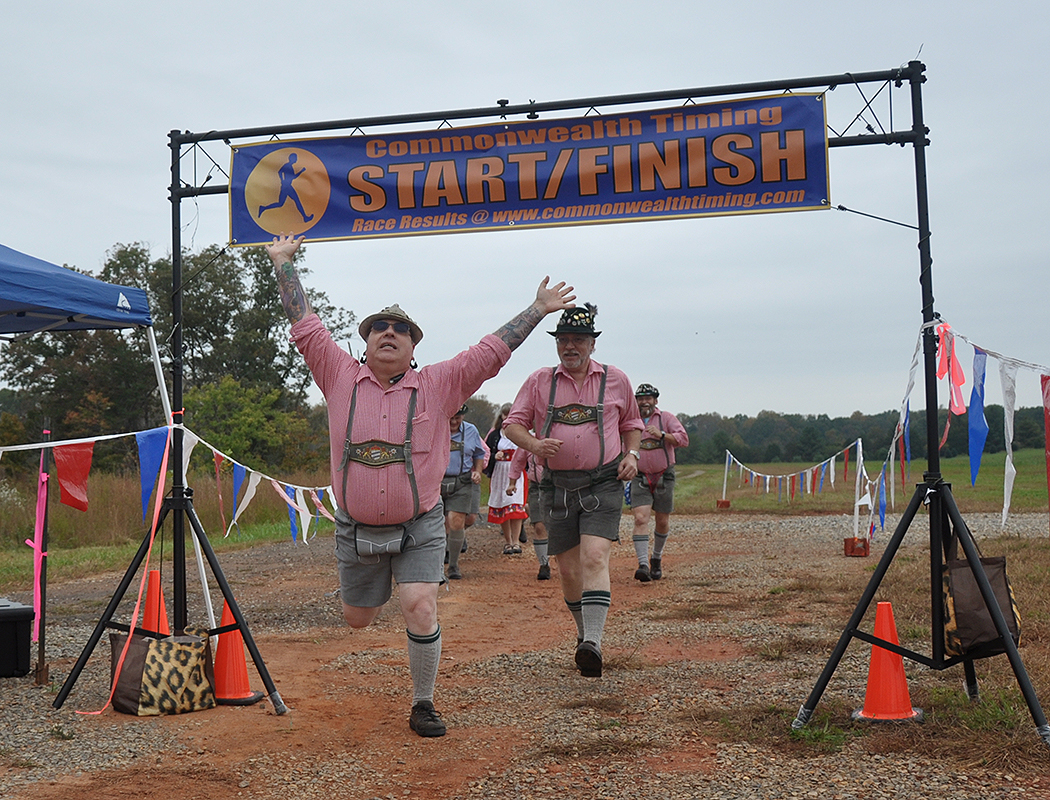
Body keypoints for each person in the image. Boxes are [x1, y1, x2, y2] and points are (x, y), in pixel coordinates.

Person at [265, 233, 574, 737]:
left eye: (401, 329)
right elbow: (304, 324)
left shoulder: (439, 382)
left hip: (421, 522)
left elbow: (491, 351)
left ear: (413, 346)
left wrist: (538, 309)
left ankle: (424, 703)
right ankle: (379, 581)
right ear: (364, 343)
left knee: (419, 605)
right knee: (358, 619)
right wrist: (283, 263)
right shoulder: (336, 375)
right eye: (379, 327)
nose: (390, 332)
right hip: (356, 527)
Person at [504, 303, 642, 678]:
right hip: (557, 487)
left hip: (603, 482)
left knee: (595, 556)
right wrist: (533, 446)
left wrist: (631, 454)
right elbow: (512, 425)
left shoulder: (616, 380)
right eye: (563, 340)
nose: (570, 347)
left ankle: (594, 642)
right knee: (567, 570)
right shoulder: (538, 382)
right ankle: (584, 638)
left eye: (578, 340)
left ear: (592, 344)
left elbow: (632, 423)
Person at [629, 383, 689, 582]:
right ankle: (643, 565)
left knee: (662, 521)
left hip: (664, 474)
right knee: (640, 518)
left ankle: (656, 558)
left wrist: (662, 435)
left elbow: (683, 440)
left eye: (649, 398)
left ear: (656, 400)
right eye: (641, 398)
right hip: (640, 475)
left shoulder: (666, 418)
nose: (644, 402)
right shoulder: (630, 420)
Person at [443, 404, 487, 580]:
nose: (454, 422)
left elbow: (479, 453)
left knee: (456, 522)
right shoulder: (434, 429)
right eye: (451, 418)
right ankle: (437, 562)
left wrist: (477, 471)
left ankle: (453, 565)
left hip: (462, 482)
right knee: (436, 524)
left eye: (458, 418)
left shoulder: (471, 431)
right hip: (436, 482)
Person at [486, 404, 528, 554]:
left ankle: (516, 542)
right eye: (504, 415)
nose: (507, 418)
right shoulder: (494, 435)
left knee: (515, 506)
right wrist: (494, 456)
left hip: (517, 472)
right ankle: (508, 542)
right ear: (501, 416)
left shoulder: (522, 432)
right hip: (500, 472)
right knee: (502, 505)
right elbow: (485, 453)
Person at [507, 446, 551, 580]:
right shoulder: (528, 440)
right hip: (537, 487)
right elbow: (517, 461)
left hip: (560, 486)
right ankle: (544, 564)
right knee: (539, 526)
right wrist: (512, 482)